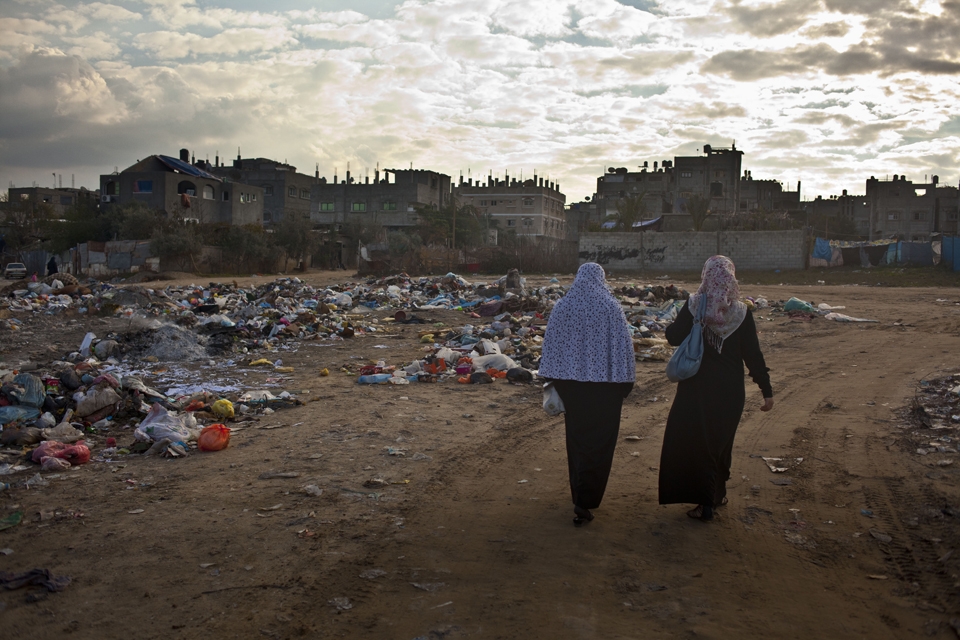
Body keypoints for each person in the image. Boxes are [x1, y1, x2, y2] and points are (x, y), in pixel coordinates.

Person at [658, 256, 774, 522]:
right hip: (730, 392)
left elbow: (674, 337)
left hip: (696, 390)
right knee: (720, 445)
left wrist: (677, 324)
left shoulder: (695, 305)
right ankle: (716, 495)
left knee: (696, 444)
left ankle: (705, 503)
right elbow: (753, 356)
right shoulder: (742, 313)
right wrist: (766, 390)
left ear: (706, 277)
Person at [539, 262, 635, 527]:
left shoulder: (563, 306)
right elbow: (623, 347)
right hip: (606, 387)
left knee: (578, 440)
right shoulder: (611, 307)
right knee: (600, 443)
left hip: (573, 386)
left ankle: (579, 493)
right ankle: (587, 498)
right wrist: (624, 385)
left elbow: (552, 345)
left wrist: (553, 381)